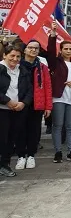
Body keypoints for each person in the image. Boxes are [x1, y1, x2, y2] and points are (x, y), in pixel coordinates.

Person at [47, 22, 71, 163]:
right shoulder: (55, 62)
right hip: (59, 98)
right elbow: (49, 51)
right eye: (65, 48)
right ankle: (58, 152)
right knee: (58, 125)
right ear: (60, 50)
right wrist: (53, 34)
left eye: (70, 49)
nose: (68, 51)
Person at [15, 40, 52, 170]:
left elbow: (47, 86)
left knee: (34, 131)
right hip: (20, 102)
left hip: (37, 103)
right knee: (20, 130)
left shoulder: (42, 67)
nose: (33, 50)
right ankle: (21, 156)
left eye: (36, 48)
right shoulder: (17, 65)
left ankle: (31, 155)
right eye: (30, 48)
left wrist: (48, 106)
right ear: (24, 50)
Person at [0, 47, 33, 177]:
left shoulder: (23, 70)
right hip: (2, 110)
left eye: (18, 57)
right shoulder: (1, 68)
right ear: (4, 55)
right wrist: (7, 101)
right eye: (12, 56)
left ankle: (4, 165)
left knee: (11, 139)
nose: (15, 59)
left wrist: (23, 103)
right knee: (2, 138)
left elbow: (29, 90)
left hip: (18, 110)